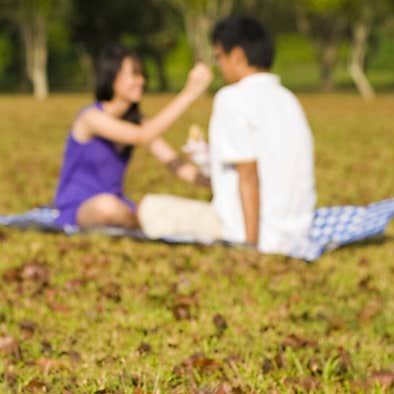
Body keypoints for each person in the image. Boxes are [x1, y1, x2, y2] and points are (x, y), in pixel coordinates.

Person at [138, 14, 317, 255]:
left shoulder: (231, 98)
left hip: (255, 233)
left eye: (219, 57)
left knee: (149, 208)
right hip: (296, 231)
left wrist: (250, 246)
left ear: (238, 56)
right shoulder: (289, 99)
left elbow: (248, 174)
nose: (219, 65)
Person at [52, 44, 213, 231]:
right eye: (134, 74)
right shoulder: (91, 118)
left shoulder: (138, 122)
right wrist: (189, 93)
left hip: (119, 205)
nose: (141, 81)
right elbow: (142, 136)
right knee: (107, 206)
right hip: (80, 208)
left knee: (146, 204)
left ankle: (139, 222)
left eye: (142, 75)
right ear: (112, 77)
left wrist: (217, 183)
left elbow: (177, 165)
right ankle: (142, 225)